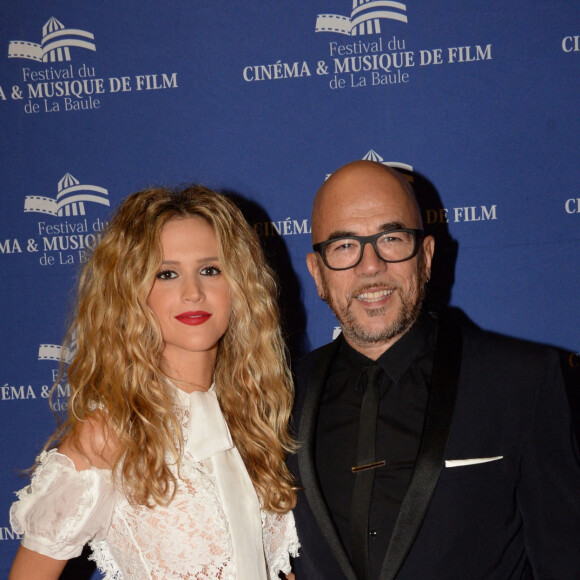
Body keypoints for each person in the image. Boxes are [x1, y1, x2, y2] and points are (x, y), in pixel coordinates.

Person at [289, 160, 580, 579]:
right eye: (344, 246)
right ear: (317, 273)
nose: (370, 266)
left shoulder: (523, 381)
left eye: (391, 238)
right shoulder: (280, 396)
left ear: (425, 257)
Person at [9, 186, 299, 579]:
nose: (193, 292)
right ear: (131, 293)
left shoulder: (255, 419)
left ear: (240, 286)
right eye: (166, 274)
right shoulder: (108, 433)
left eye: (210, 270)